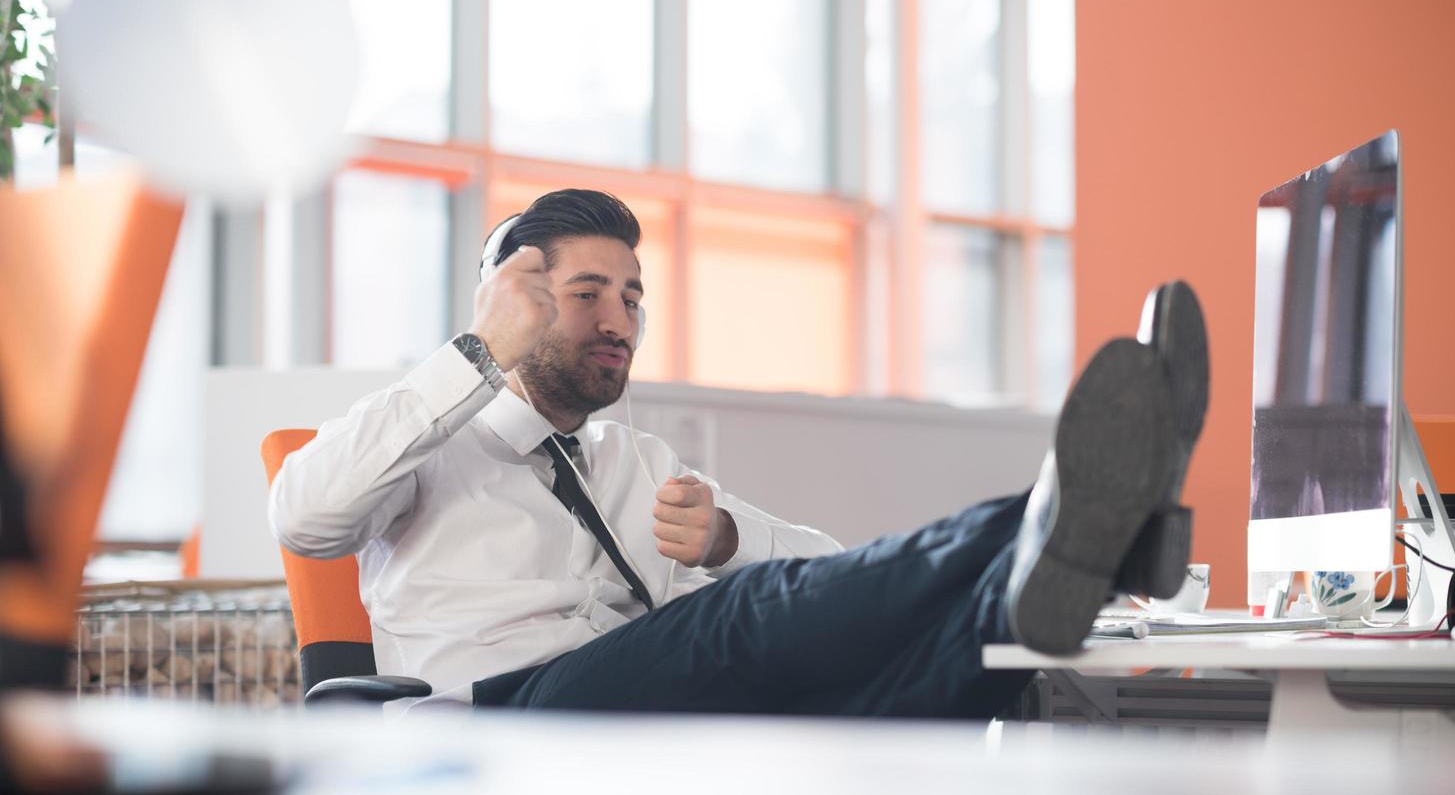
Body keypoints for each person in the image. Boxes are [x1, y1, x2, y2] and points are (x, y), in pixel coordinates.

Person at [269, 189, 1209, 718]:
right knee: (740, 619)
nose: (618, 321)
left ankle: (1071, 547)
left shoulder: (636, 461)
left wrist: (726, 538)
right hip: (498, 722)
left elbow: (831, 581)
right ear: (510, 298)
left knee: (934, 672)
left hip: (634, 714)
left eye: (632, 297)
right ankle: (1064, 516)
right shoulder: (426, 435)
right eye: (587, 292)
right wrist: (476, 352)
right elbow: (305, 519)